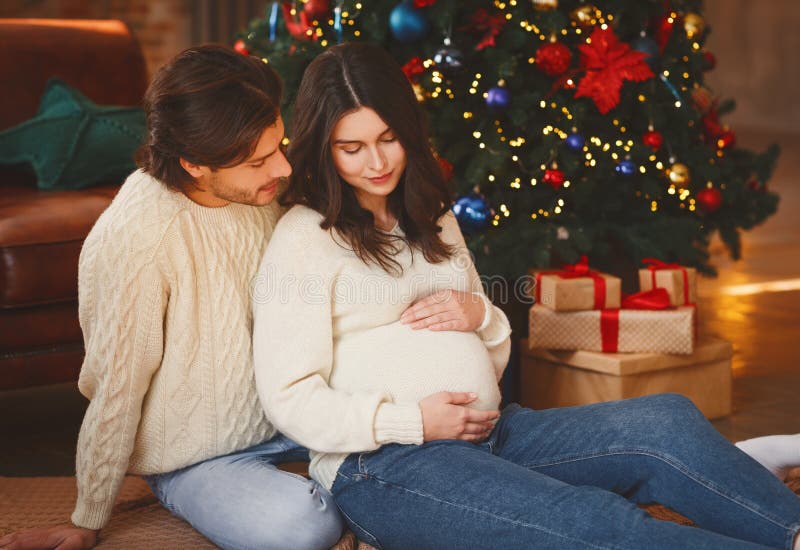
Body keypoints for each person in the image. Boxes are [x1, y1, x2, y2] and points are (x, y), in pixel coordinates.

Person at [252, 42, 800, 550]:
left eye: (388, 139)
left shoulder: (429, 213)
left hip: (496, 433)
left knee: (666, 422)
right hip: (385, 467)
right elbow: (289, 397)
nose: (377, 163)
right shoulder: (306, 238)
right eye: (352, 148)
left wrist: (480, 316)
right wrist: (412, 423)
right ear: (324, 148)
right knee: (592, 521)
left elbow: (489, 351)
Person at [0, 45, 343, 550]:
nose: (285, 168)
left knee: (425, 431)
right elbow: (117, 385)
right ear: (194, 164)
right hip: (200, 452)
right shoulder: (140, 239)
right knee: (303, 528)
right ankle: (194, 490)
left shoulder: (255, 189)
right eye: (259, 160)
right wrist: (87, 516)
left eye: (280, 145)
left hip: (293, 405)